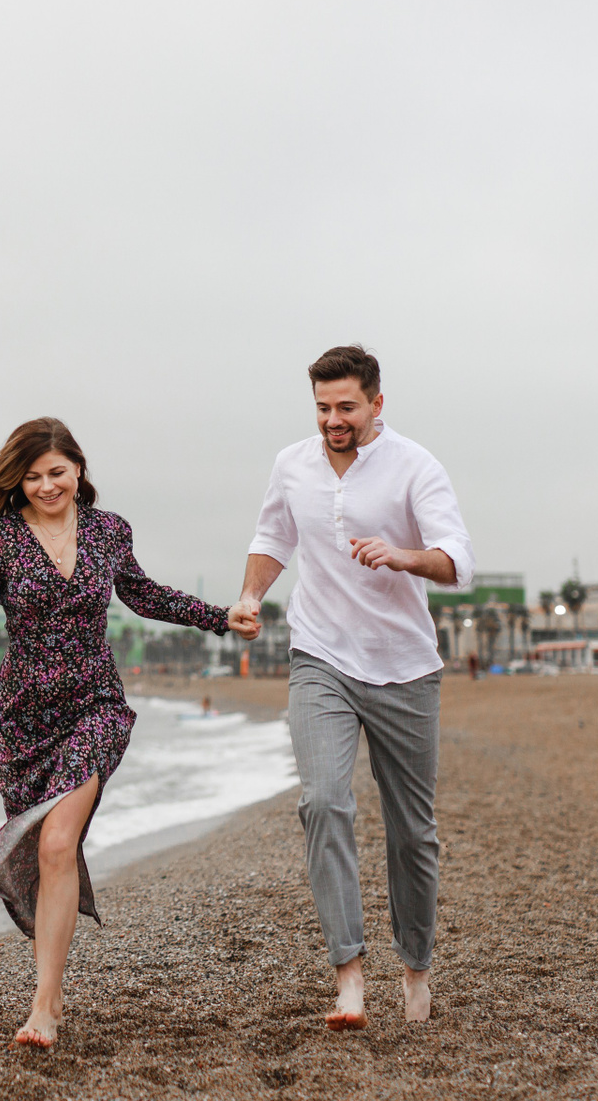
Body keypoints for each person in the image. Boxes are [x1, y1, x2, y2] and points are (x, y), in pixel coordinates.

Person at [0, 417, 254, 1048]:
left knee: (60, 841)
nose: (46, 486)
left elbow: (144, 594)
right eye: (32, 477)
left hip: (95, 704)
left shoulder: (109, 530)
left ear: (78, 469)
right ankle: (53, 991)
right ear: (17, 480)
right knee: (44, 850)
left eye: (56, 472)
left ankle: (42, 1006)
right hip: (24, 718)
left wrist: (220, 617)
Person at [227, 345, 473, 1030]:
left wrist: (403, 556)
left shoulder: (414, 466)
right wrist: (250, 596)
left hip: (405, 667)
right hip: (321, 657)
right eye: (323, 408)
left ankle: (415, 970)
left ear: (376, 403)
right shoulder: (292, 464)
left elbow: (459, 560)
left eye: (347, 407)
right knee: (323, 802)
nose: (334, 420)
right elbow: (272, 538)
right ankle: (350, 978)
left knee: (412, 833)